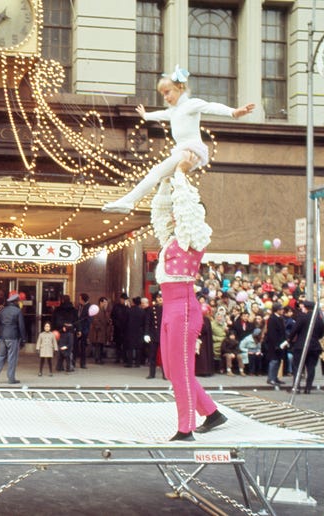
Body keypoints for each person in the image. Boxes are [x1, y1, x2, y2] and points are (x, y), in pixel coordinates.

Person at [103, 65, 255, 214]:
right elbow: (161, 114)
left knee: (156, 173)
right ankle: (134, 203)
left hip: (191, 150)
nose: (166, 97)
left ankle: (127, 202)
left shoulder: (190, 105)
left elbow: (211, 106)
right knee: (161, 177)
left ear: (180, 88)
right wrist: (146, 116)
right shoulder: (173, 111)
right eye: (163, 94)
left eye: (167, 92)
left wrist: (233, 112)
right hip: (184, 150)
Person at [151, 156, 225, 441]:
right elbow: (161, 214)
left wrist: (181, 176)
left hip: (182, 306)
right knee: (171, 370)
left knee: (181, 370)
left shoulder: (194, 237)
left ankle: (186, 428)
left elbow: (186, 209)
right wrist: (165, 182)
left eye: (179, 213)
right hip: (172, 307)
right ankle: (212, 413)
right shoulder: (172, 239)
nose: (174, 215)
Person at [0, 291, 26, 384]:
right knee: (12, 358)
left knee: (0, 356)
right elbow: (21, 326)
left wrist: (0, 336)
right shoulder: (18, 311)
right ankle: (11, 378)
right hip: (13, 337)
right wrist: (23, 339)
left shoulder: (3, 310)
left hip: (2, 337)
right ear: (16, 301)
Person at [290, 300, 324, 394]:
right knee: (311, 367)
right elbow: (322, 333)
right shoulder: (319, 319)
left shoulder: (302, 317)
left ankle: (296, 387)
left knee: (297, 367)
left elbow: (294, 330)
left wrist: (289, 340)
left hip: (301, 345)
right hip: (314, 346)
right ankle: (308, 388)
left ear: (305, 308)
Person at [263, 302, 288, 386]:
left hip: (281, 343)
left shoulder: (280, 318)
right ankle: (270, 378)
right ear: (277, 310)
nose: (282, 311)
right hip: (274, 344)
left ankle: (275, 377)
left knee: (278, 361)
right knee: (274, 361)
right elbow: (272, 334)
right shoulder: (272, 319)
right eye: (281, 309)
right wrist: (276, 345)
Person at [89, 297, 112, 365]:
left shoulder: (105, 311)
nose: (106, 304)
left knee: (101, 345)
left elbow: (107, 320)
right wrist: (99, 327)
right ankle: (97, 359)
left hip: (104, 331)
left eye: (106, 302)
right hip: (98, 331)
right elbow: (95, 321)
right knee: (98, 345)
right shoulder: (97, 310)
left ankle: (100, 358)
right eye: (104, 302)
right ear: (101, 302)